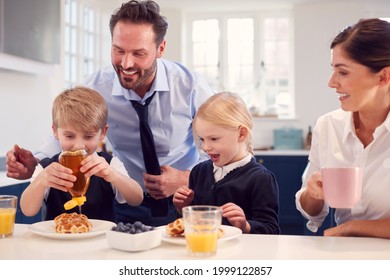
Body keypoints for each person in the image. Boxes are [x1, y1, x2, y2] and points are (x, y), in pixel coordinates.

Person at [6, 0, 213, 226]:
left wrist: (188, 178)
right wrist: (35, 163)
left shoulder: (190, 86)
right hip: (126, 202)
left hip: (185, 200)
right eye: (118, 50)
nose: (126, 63)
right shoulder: (95, 86)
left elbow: (221, 147)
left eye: (139, 53)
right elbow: (68, 131)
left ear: (160, 49)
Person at [295, 18, 390, 238]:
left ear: (384, 77)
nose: (331, 82)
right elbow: (311, 211)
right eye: (333, 70)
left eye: (343, 72)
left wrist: (352, 227)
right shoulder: (328, 126)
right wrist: (313, 193)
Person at [20, 87, 143, 222]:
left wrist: (112, 175)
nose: (78, 145)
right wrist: (41, 180)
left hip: (102, 241)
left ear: (103, 132)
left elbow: (136, 199)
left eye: (88, 136)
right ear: (55, 131)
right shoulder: (47, 168)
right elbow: (28, 210)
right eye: (70, 136)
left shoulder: (109, 164)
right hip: (58, 241)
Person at [173, 92, 280, 234]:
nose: (205, 147)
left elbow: (271, 230)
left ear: (241, 134)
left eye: (214, 139)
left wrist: (245, 225)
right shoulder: (198, 172)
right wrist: (184, 207)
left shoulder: (261, 178)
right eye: (202, 140)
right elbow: (194, 222)